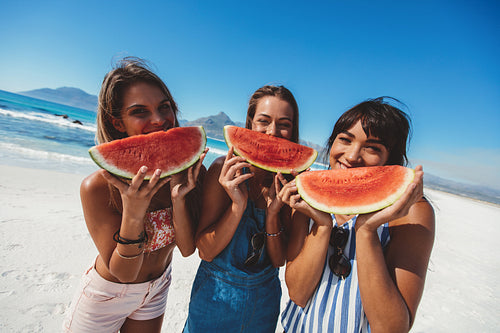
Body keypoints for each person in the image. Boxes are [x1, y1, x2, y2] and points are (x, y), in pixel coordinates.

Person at [63, 57, 206, 332]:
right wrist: (134, 211)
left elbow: (187, 250)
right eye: (140, 111)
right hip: (106, 296)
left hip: (157, 288)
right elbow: (124, 273)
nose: (159, 120)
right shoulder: (96, 188)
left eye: (165, 107)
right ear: (117, 122)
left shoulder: (187, 174)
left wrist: (179, 199)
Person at [280, 97, 435, 332]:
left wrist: (367, 231)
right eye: (345, 139)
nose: (352, 156)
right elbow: (298, 294)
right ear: (331, 144)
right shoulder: (308, 198)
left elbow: (391, 328)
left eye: (373, 147)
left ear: (390, 160)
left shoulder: (411, 213)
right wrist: (322, 226)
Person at [183, 85, 300, 332]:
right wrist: (238, 205)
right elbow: (205, 251)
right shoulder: (221, 170)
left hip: (264, 303)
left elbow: (278, 260)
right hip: (214, 298)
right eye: (264, 121)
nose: (272, 132)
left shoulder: (292, 184)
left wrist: (272, 215)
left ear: (293, 130)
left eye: (284, 124)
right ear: (250, 123)